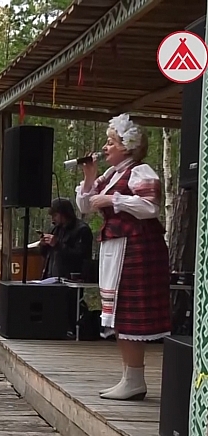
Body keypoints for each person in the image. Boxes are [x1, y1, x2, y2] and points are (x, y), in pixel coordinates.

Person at [76, 113, 170, 401]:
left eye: (111, 142)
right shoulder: (111, 175)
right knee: (118, 309)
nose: (105, 148)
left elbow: (150, 206)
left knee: (128, 310)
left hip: (136, 245)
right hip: (117, 247)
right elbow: (85, 206)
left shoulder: (140, 171)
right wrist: (90, 177)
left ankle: (134, 379)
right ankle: (131, 378)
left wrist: (113, 200)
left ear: (127, 146)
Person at [40, 198, 94, 280]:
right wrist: (43, 245)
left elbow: (80, 257)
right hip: (50, 277)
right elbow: (46, 254)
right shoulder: (55, 229)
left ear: (64, 213)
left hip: (70, 279)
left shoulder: (82, 230)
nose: (53, 219)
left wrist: (57, 244)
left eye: (55, 215)